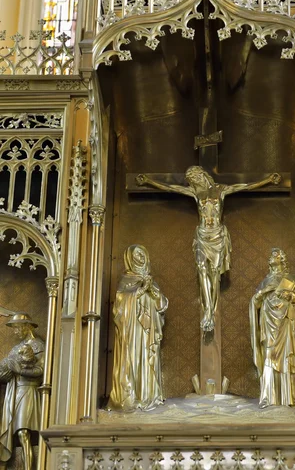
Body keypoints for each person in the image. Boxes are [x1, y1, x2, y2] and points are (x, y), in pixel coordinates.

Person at [137, 167, 281, 332]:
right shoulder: (195, 193)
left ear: (202, 175)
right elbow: (171, 188)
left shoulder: (221, 190)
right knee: (202, 271)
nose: (194, 181)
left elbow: (245, 186)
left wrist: (268, 180)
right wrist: (149, 181)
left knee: (214, 275)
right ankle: (207, 312)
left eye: (195, 178)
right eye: (191, 179)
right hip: (202, 236)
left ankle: (211, 309)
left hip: (217, 236)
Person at [108, 245, 168, 412]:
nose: (141, 258)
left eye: (143, 254)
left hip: (146, 335)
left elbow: (161, 306)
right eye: (137, 255)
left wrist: (153, 292)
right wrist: (140, 291)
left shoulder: (152, 281)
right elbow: (120, 307)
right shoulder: (126, 280)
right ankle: (129, 398)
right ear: (130, 259)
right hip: (132, 332)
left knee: (147, 362)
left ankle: (148, 395)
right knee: (131, 362)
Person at [250, 248, 295, 407]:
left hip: (287, 324)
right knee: (269, 356)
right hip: (269, 326)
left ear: (282, 259)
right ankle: (269, 397)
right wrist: (262, 293)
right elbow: (255, 303)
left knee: (287, 359)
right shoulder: (265, 281)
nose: (271, 257)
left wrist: (291, 296)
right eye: (271, 255)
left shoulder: (290, 280)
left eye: (275, 255)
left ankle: (289, 398)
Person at [0, 313, 44, 470]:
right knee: (12, 434)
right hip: (13, 391)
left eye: (17, 328)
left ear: (27, 326)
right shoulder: (16, 349)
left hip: (29, 390)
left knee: (23, 433)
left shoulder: (38, 345)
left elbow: (41, 370)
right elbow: (5, 369)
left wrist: (19, 369)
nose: (15, 332)